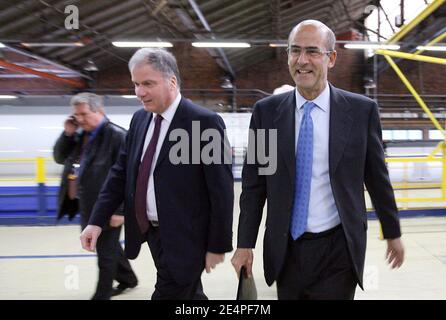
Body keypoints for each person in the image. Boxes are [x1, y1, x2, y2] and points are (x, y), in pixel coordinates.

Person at [231, 19, 404, 300]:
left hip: (339, 248)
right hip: (286, 248)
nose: (301, 60)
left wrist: (392, 231)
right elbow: (254, 186)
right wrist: (244, 244)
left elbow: (376, 177)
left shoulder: (361, 112)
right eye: (294, 51)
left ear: (331, 58)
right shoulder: (266, 113)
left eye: (312, 51)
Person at [80, 48, 234, 300]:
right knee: (189, 295)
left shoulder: (203, 122)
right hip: (151, 231)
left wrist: (218, 244)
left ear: (171, 81)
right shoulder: (140, 119)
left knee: (168, 293)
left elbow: (221, 189)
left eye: (148, 84)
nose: (140, 92)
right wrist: (96, 221)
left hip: (187, 235)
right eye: (136, 84)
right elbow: (120, 174)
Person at [53, 93, 138, 300]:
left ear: (99, 111)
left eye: (84, 114)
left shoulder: (118, 136)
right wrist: (67, 133)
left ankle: (102, 295)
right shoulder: (80, 135)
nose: (80, 119)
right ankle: (128, 279)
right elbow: (59, 157)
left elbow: (131, 175)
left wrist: (120, 211)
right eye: (76, 115)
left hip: (109, 206)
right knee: (107, 245)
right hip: (87, 203)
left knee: (105, 253)